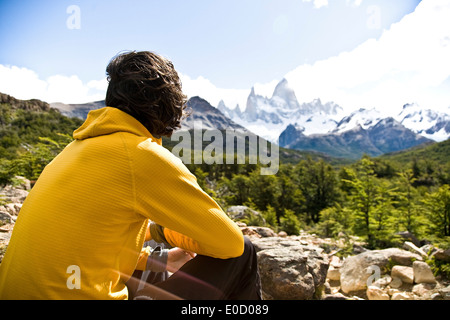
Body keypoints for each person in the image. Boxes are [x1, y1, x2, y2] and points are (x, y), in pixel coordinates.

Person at [0, 50, 261, 300]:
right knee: (244, 252)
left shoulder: (74, 149)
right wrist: (163, 232)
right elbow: (230, 244)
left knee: (155, 247)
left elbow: (94, 244)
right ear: (169, 106)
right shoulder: (142, 155)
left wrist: (161, 259)